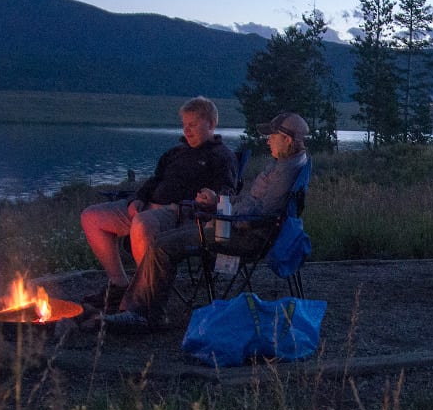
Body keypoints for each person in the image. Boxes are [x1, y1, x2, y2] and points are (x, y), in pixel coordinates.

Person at [101, 111, 311, 332]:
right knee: (163, 241)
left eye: (273, 136)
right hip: (242, 227)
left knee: (162, 246)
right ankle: (141, 308)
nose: (268, 140)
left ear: (287, 139)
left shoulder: (286, 171)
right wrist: (219, 201)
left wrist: (222, 215)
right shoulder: (289, 163)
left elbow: (259, 214)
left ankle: (143, 315)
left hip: (242, 236)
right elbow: (253, 202)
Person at [79, 96, 241, 310]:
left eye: (192, 125)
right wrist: (139, 198)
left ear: (211, 124)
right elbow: (155, 180)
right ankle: (119, 285)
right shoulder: (175, 153)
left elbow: (227, 192)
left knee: (143, 223)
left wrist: (212, 198)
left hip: (181, 214)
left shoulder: (222, 156)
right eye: (184, 125)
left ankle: (144, 303)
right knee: (91, 217)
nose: (187, 131)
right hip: (148, 206)